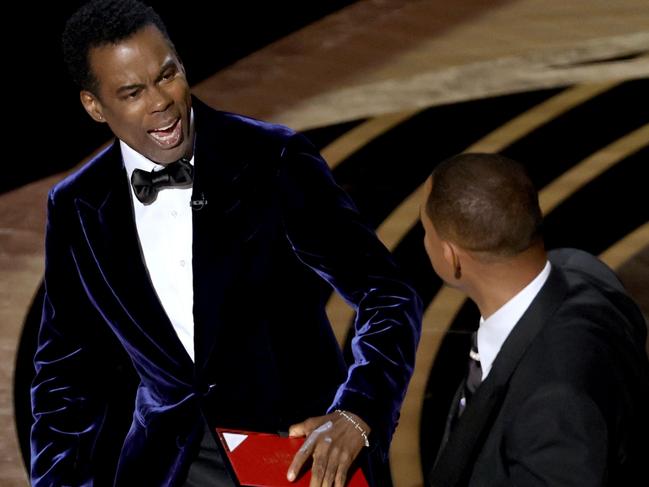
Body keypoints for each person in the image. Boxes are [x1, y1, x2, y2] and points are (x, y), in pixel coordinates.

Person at [29, 1, 422, 486]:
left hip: (296, 458)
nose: (160, 101)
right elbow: (63, 378)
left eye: (167, 75)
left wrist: (360, 411)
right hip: (169, 468)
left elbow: (387, 294)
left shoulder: (273, 159)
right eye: (132, 92)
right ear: (94, 106)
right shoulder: (77, 206)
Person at [420, 152, 649, 486]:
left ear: (451, 257)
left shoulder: (554, 406)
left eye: (426, 231)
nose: (424, 241)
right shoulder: (584, 271)